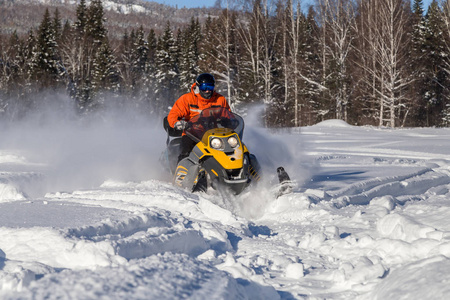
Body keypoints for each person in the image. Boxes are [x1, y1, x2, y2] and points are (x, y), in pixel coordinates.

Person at [167, 73, 230, 162]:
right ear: (198, 87)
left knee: (232, 149)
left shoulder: (220, 99)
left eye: (210, 87)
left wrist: (230, 122)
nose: (207, 91)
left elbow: (227, 115)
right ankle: (182, 174)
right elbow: (174, 114)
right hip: (191, 133)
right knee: (185, 153)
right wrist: (177, 123)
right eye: (204, 88)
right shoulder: (187, 99)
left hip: (213, 135)